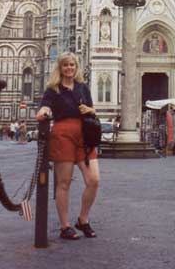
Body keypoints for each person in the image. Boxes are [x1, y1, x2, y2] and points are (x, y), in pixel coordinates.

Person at [36, 52, 100, 240]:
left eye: (72, 64)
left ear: (76, 67)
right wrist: (44, 111)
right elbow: (45, 107)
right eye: (66, 65)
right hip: (62, 134)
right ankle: (65, 226)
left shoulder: (83, 88)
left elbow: (92, 109)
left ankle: (83, 219)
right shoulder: (53, 89)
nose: (69, 68)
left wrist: (90, 110)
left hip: (84, 134)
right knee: (63, 183)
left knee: (94, 180)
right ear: (60, 68)